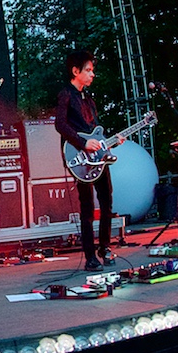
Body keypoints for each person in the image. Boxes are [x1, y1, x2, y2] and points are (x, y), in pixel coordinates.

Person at [55, 51, 122, 272]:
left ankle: (104, 247)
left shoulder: (90, 100)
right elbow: (60, 125)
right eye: (88, 70)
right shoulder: (66, 94)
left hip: (98, 159)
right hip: (80, 158)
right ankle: (90, 256)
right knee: (86, 207)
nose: (93, 74)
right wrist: (82, 144)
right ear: (76, 71)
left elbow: (97, 133)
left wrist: (110, 142)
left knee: (107, 203)